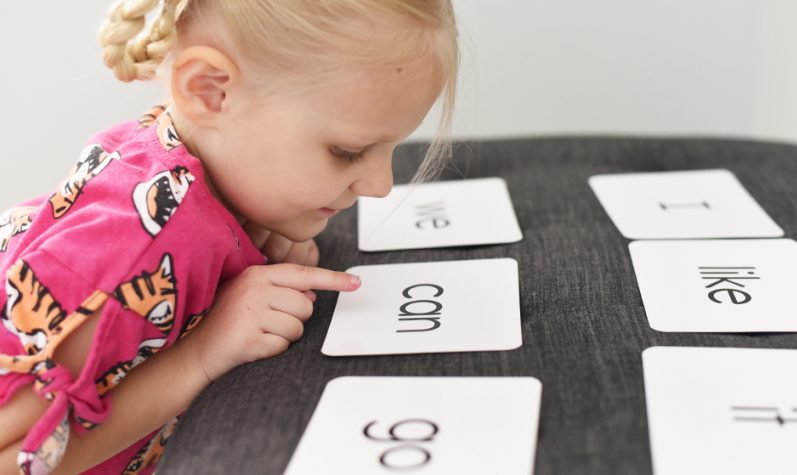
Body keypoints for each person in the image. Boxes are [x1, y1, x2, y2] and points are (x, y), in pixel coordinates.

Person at [0, 0, 458, 473]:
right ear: (210, 91)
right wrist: (203, 354)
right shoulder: (132, 254)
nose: (381, 185)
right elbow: (14, 460)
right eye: (348, 151)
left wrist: (256, 237)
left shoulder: (201, 169)